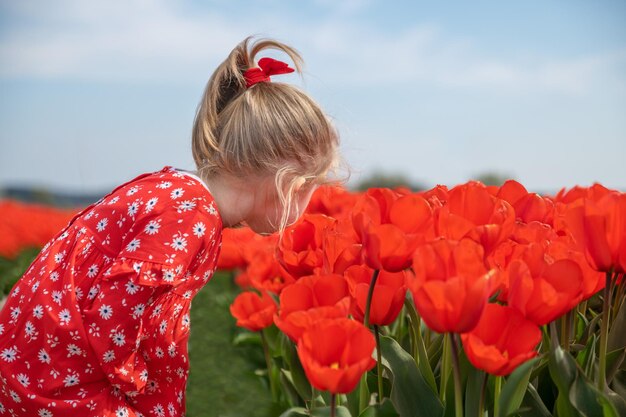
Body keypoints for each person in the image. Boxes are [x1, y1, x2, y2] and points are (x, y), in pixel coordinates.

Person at [0, 36, 339, 416]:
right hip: (64, 376)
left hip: (44, 358)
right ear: (289, 185)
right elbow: (116, 306)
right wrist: (133, 379)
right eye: (315, 187)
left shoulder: (180, 194)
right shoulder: (189, 216)